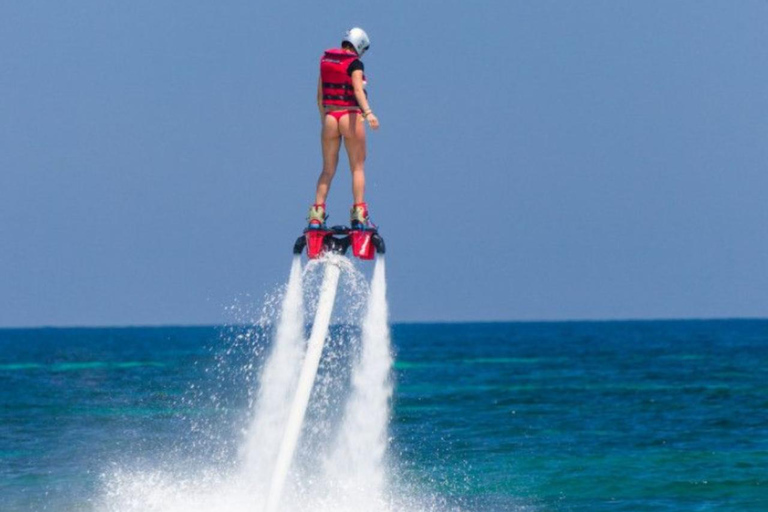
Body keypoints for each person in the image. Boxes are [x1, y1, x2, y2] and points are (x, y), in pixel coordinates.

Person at [308, 27, 380, 230]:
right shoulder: (354, 63)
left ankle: (316, 216)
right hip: (350, 117)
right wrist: (368, 113)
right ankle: (359, 215)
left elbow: (319, 97)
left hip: (330, 117)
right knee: (357, 167)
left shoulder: (326, 61)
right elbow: (357, 89)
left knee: (327, 170)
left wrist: (325, 120)